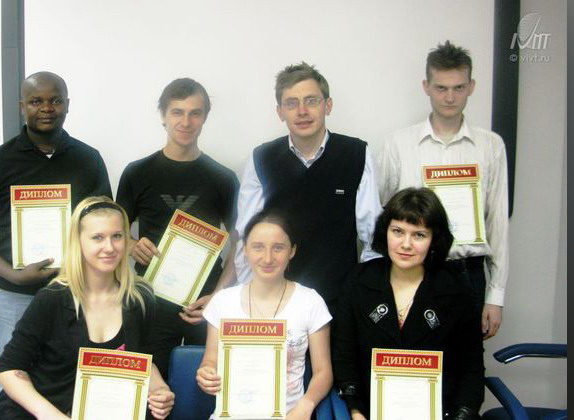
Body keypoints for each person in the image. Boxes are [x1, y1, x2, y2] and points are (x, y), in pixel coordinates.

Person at [0, 71, 112, 363]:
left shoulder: (88, 159)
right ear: (22, 107)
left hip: (75, 292)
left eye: (55, 100)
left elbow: (105, 225)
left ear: (67, 105)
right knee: (13, 378)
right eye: (35, 101)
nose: (46, 108)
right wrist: (13, 275)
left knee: (70, 379)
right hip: (13, 296)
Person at [0, 196, 175, 419]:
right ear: (78, 241)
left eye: (117, 236)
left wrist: (160, 389)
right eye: (97, 237)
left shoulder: (139, 299)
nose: (109, 247)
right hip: (34, 413)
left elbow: (144, 362)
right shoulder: (52, 299)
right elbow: (9, 369)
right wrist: (52, 416)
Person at [376, 40, 508, 339]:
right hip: (409, 273)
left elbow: (498, 223)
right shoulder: (398, 144)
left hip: (467, 273)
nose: (450, 97)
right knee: (409, 359)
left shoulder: (491, 146)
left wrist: (495, 296)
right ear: (426, 86)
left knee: (465, 362)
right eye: (441, 88)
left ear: (471, 86)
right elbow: (382, 213)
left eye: (458, 88)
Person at [234, 62, 382, 313]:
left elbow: (372, 235)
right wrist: (250, 299)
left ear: (328, 105)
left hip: (340, 299)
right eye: (291, 103)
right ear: (280, 111)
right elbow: (247, 238)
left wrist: (367, 291)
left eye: (311, 101)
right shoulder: (261, 158)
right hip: (277, 301)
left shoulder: (356, 154)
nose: (302, 111)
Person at [116, 78, 239, 379]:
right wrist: (131, 245)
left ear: (205, 117)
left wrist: (219, 296)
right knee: (150, 386)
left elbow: (241, 242)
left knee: (205, 385)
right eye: (177, 112)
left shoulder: (223, 178)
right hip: (151, 300)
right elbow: (113, 232)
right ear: (163, 115)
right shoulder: (137, 173)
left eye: (195, 113)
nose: (186, 121)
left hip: (204, 303)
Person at [332, 187, 484, 420]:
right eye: (398, 231)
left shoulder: (455, 289)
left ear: (434, 239)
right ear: (385, 232)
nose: (406, 244)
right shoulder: (360, 280)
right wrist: (355, 411)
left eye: (419, 235)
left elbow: (471, 368)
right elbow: (344, 355)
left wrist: (461, 416)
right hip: (370, 412)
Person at [197, 209, 333, 419]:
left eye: (278, 248)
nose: (268, 258)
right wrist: (206, 373)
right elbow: (210, 361)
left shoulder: (310, 302)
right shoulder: (223, 302)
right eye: (258, 247)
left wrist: (306, 405)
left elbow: (323, 372)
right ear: (245, 250)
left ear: (292, 251)